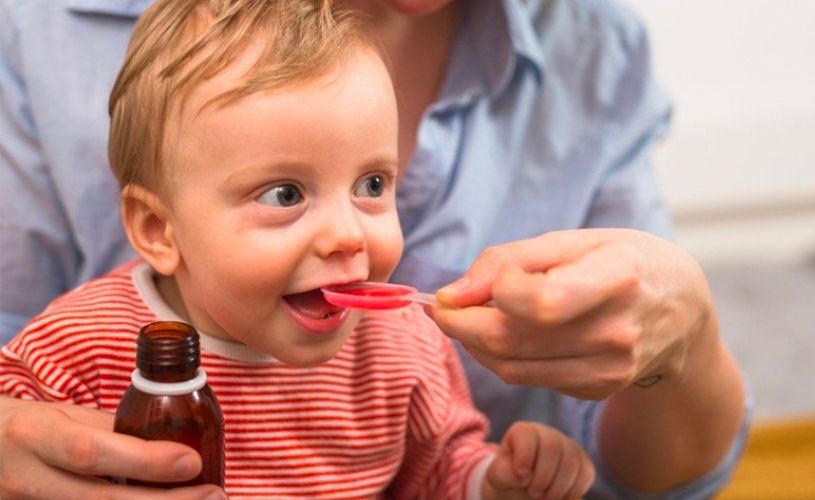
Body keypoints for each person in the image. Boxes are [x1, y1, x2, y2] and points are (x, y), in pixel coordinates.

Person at [0, 0, 750, 497]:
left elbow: (442, 464)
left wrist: (497, 479)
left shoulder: (401, 349)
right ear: (158, 230)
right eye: (285, 195)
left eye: (370, 183)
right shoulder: (86, 344)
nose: (347, 234)